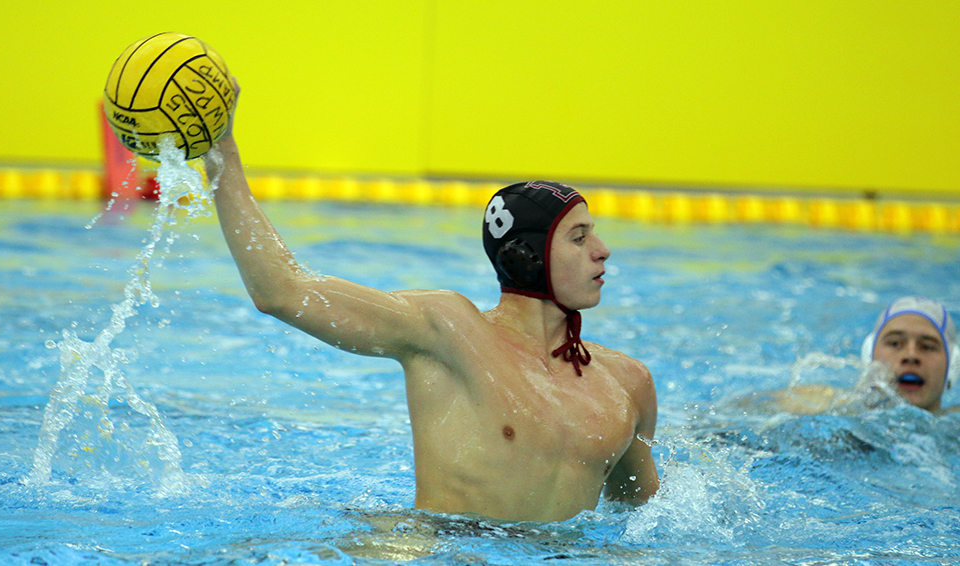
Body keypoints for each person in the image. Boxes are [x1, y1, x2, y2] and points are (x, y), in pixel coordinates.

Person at [203, 88, 659, 523]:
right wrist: (220, 147)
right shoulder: (448, 331)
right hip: (447, 549)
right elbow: (282, 291)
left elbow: (637, 524)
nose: (602, 250)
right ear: (527, 256)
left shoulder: (627, 383)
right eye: (579, 238)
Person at [757, 296, 958, 415]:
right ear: (869, 356)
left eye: (928, 347)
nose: (911, 356)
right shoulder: (825, 403)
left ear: (952, 365)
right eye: (895, 343)